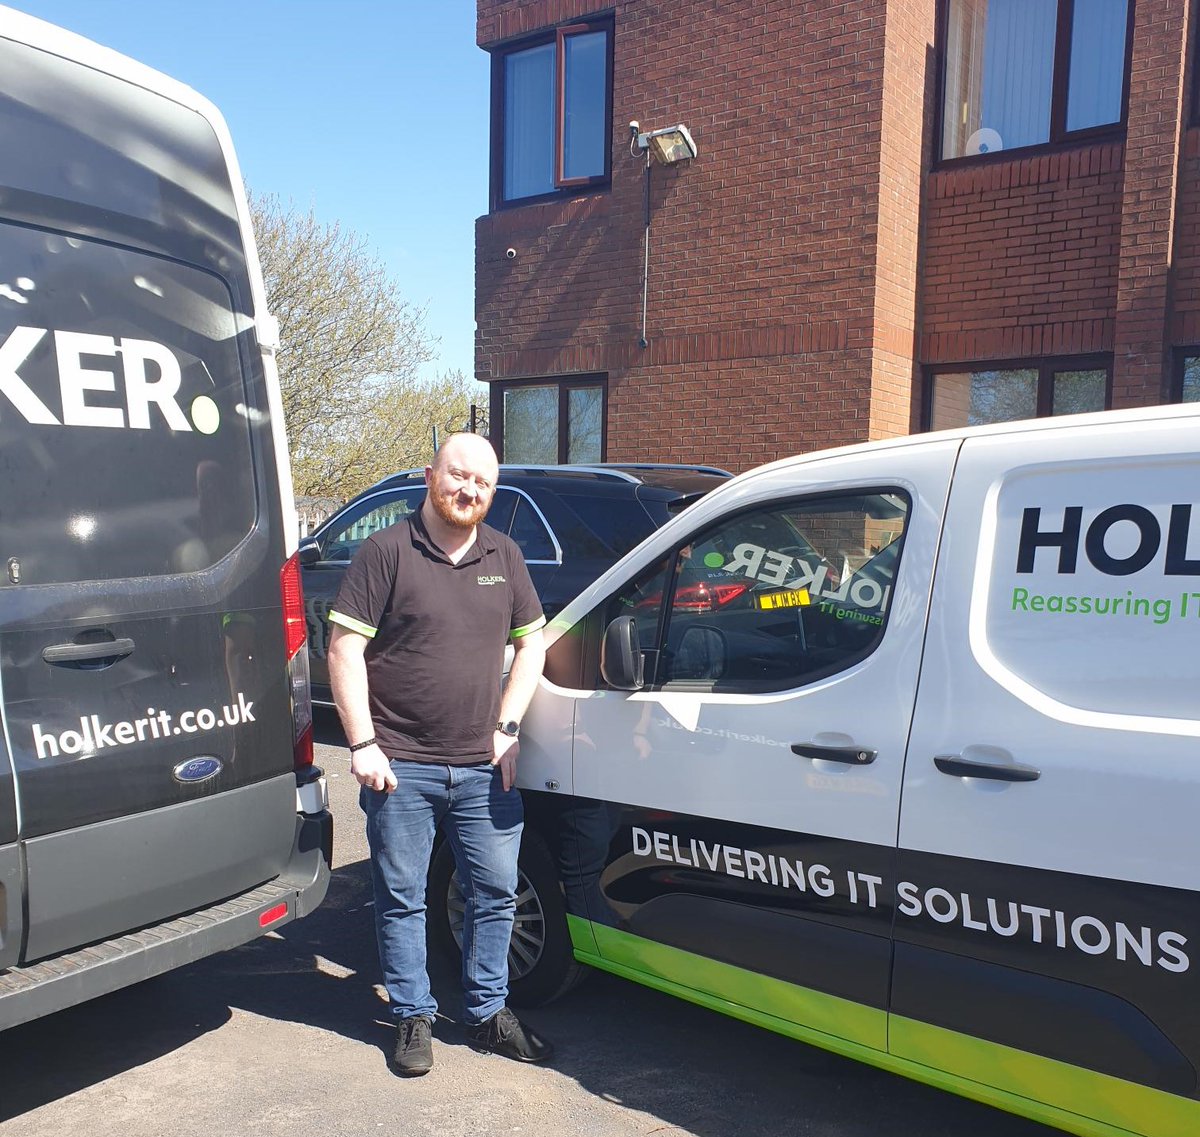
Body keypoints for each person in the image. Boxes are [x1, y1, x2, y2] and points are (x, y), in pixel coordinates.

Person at [326, 432, 551, 1076]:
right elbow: (343, 651)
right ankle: (411, 1014)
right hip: (401, 766)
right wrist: (363, 743)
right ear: (432, 475)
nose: (469, 490)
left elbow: (531, 645)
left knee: (497, 891)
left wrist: (508, 726)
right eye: (459, 476)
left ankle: (485, 1013)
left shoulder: (504, 555)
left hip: (484, 769)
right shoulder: (386, 551)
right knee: (402, 896)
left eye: (482, 482)